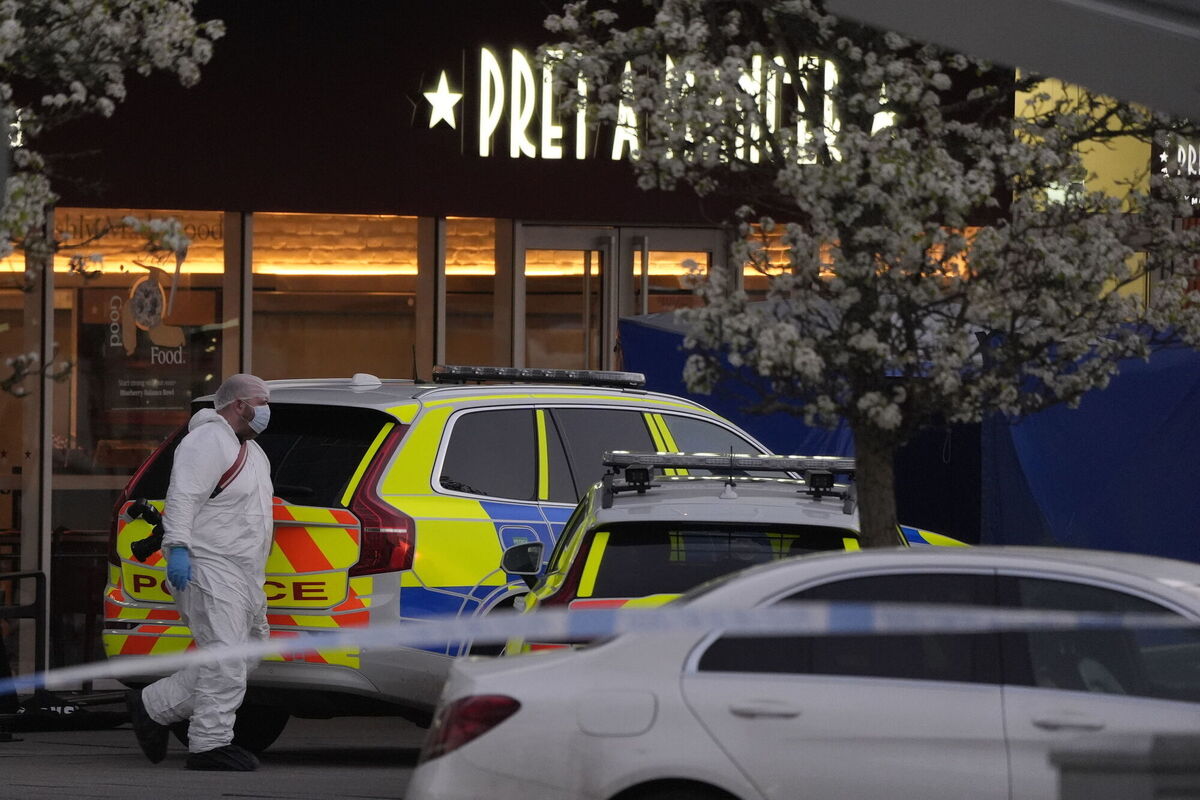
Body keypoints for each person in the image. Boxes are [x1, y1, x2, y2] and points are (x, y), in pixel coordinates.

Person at [126, 373, 274, 771]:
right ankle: (209, 744)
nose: (268, 409)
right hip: (210, 565)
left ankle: (152, 706)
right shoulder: (207, 440)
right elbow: (183, 497)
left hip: (242, 573)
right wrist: (177, 549)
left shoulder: (251, 452)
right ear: (239, 404)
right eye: (262, 401)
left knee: (245, 655)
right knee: (225, 658)